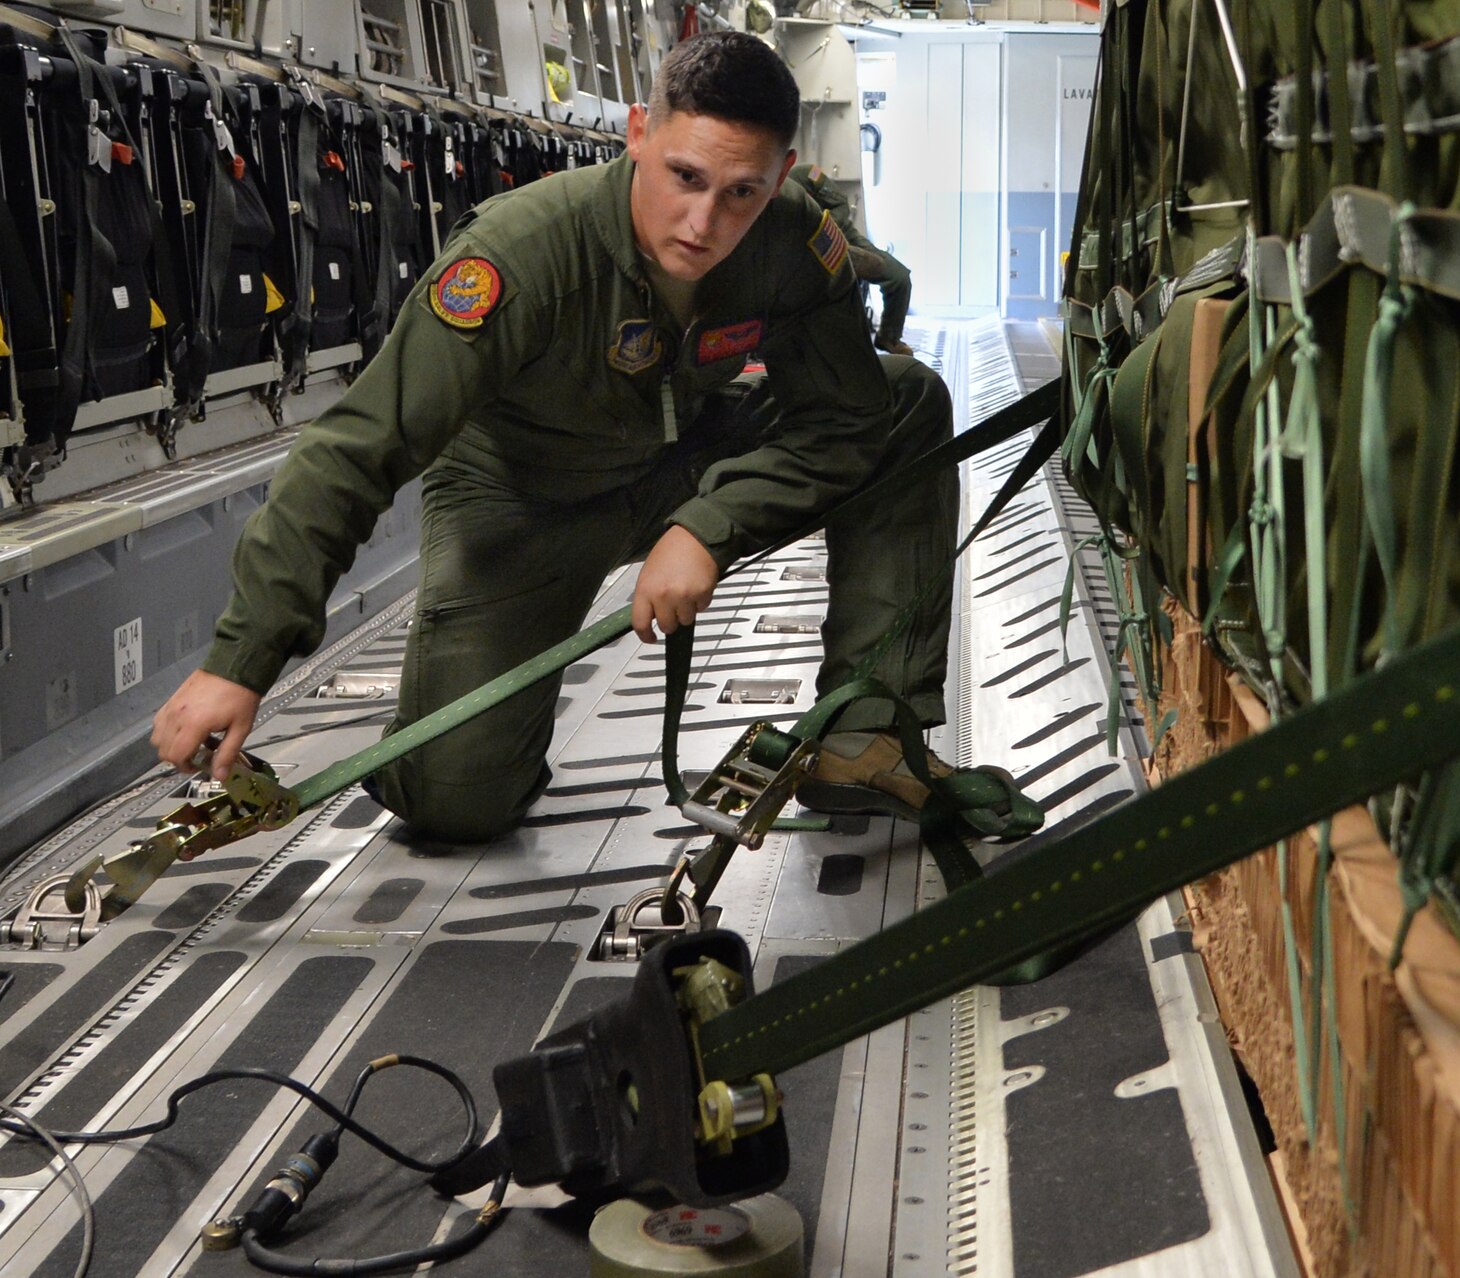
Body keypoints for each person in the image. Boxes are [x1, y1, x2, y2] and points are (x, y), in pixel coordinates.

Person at [149, 32, 1032, 842]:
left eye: (741, 194)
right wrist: (243, 658)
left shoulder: (793, 244)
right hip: (524, 497)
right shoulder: (522, 256)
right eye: (685, 177)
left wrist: (707, 526)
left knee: (905, 397)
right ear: (638, 133)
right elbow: (357, 447)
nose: (704, 223)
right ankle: (474, 730)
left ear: (782, 174)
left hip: (687, 460)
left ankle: (863, 735)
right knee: (456, 804)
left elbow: (846, 420)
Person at [786, 163, 914, 356]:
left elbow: (839, 203)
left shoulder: (808, 173)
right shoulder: (766, 197)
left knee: (899, 277)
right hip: (804, 252)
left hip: (842, 235)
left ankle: (889, 336)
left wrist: (824, 229)